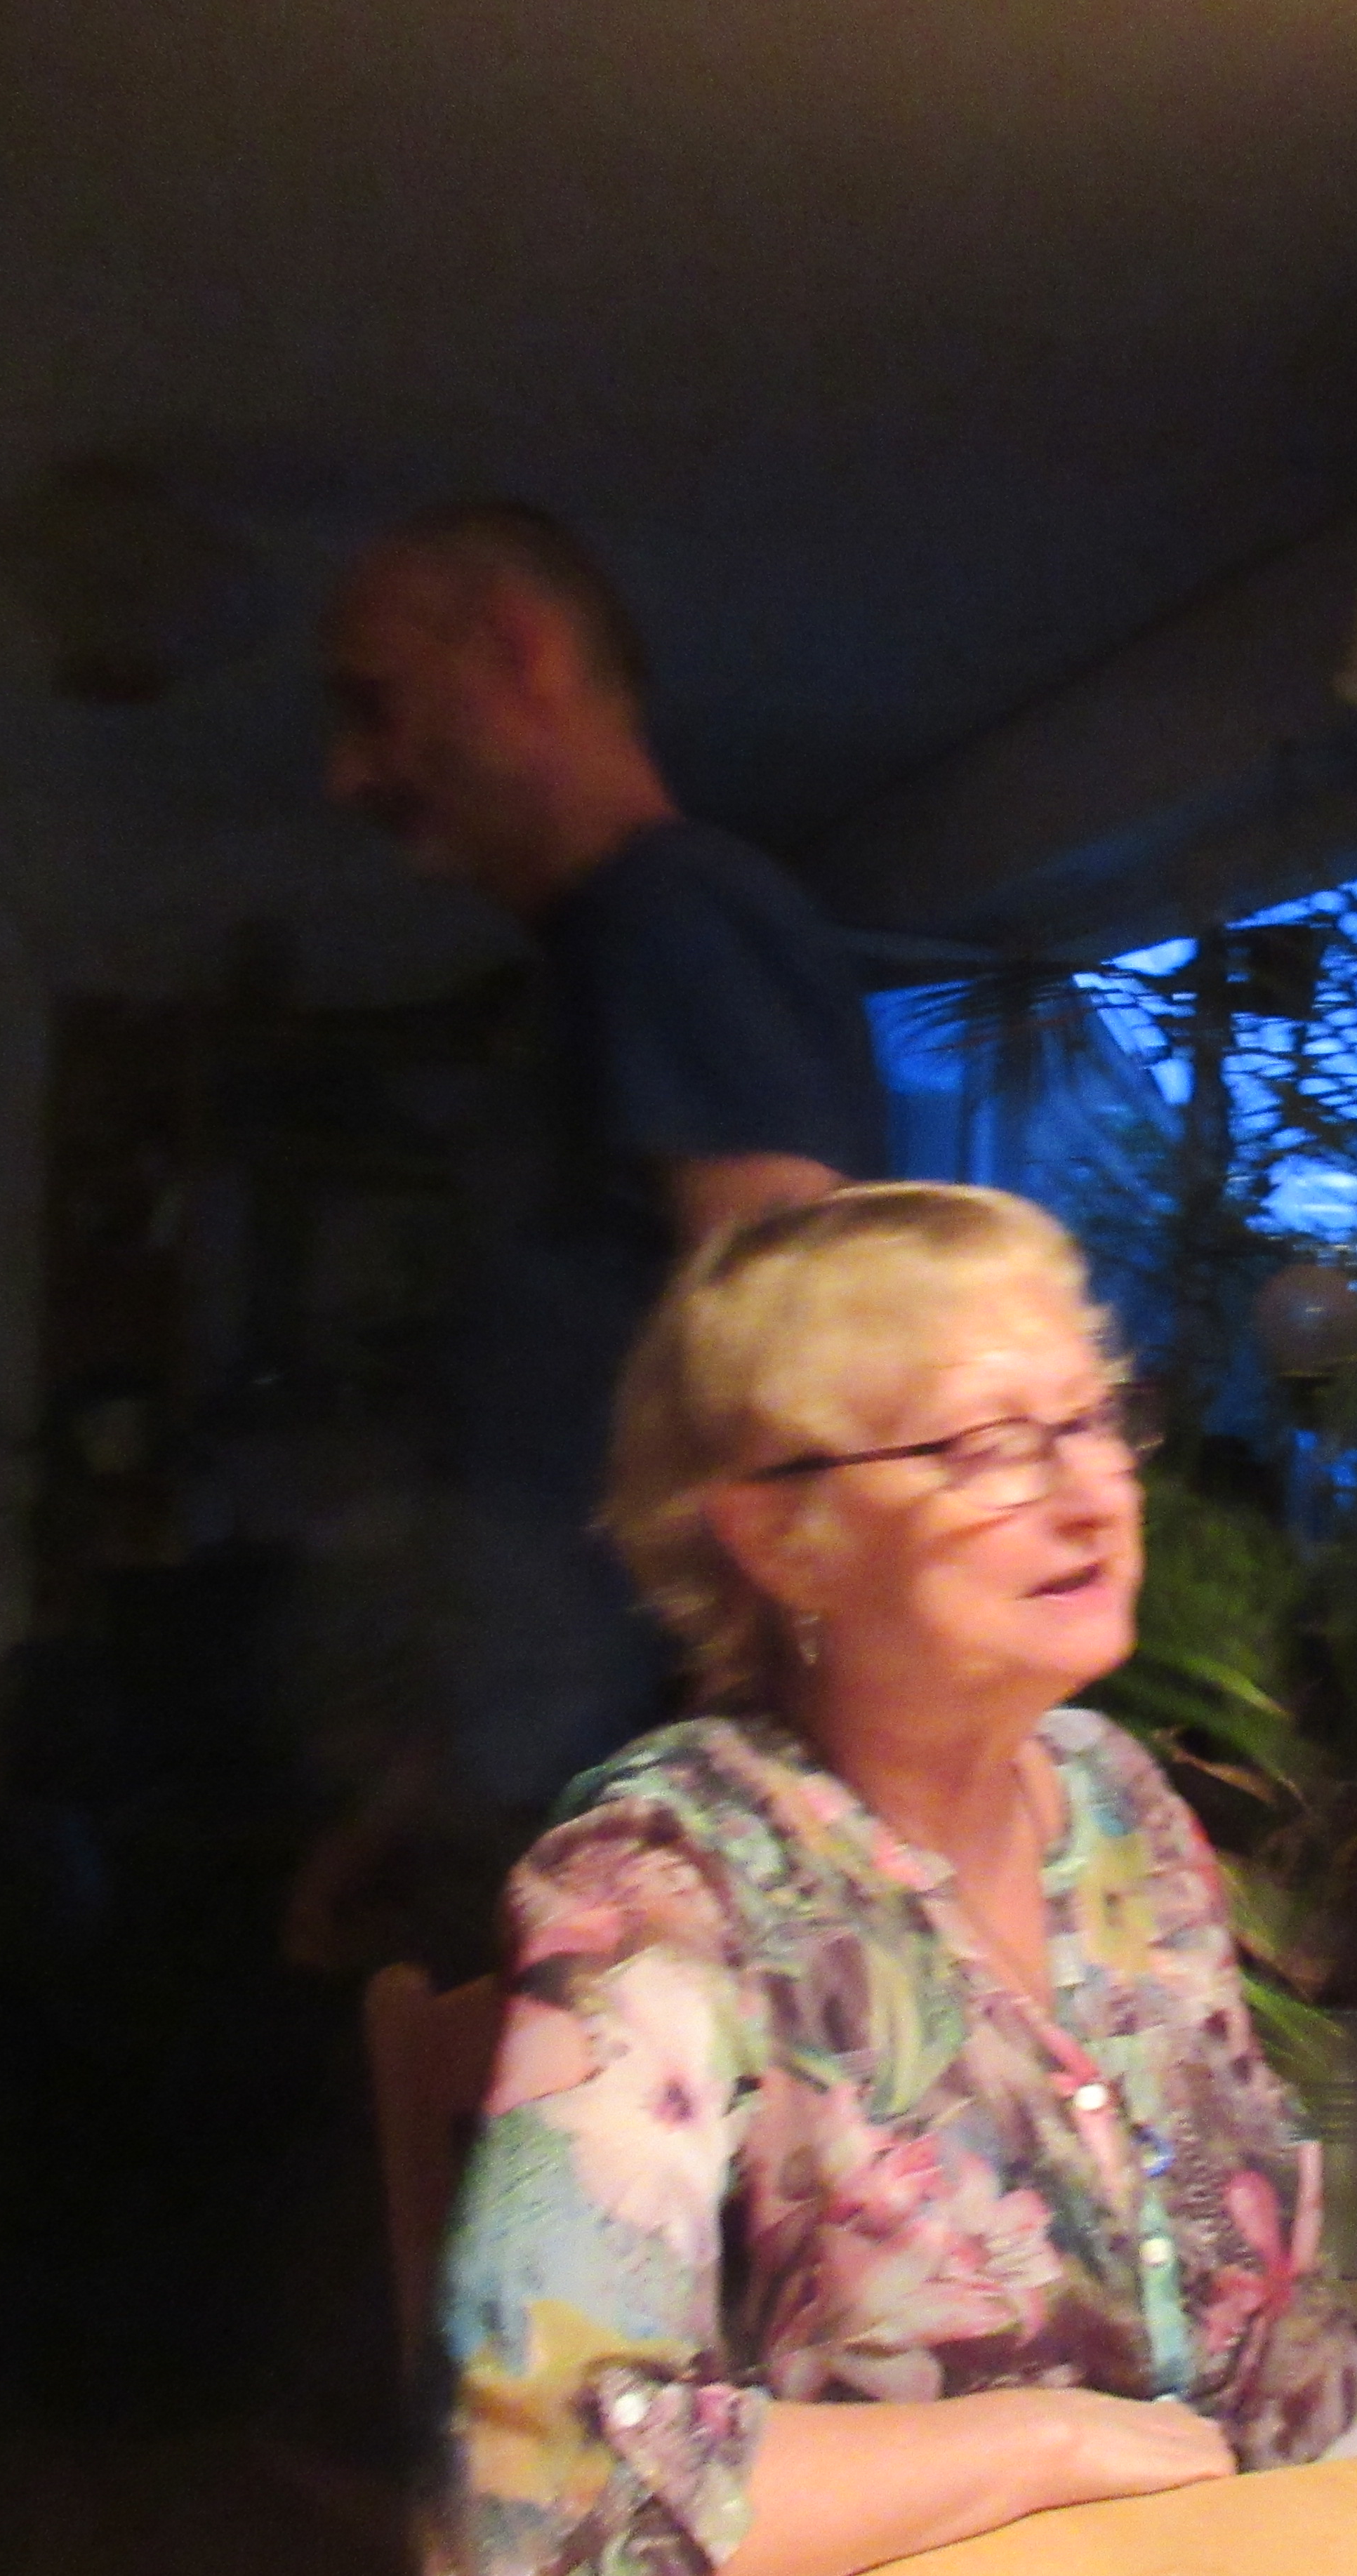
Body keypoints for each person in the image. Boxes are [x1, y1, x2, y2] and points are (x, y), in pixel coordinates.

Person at [413, 1183, 1357, 2576]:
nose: (1091, 1495)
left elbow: (1288, 2350)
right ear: (783, 1537)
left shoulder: (1119, 1807)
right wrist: (1052, 2442)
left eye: (1091, 1421)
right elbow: (530, 2528)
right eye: (986, 1447)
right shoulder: (664, 1887)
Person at [317, 503, 890, 1951]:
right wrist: (424, 1787)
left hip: (633, 1823)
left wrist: (719, 1854)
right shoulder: (601, 952)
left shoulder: (669, 913)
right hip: (544, 1780)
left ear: (519, 650)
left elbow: (795, 1388)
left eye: (375, 707)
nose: (347, 775)